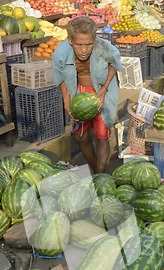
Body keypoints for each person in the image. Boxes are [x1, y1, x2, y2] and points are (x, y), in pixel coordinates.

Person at [52, 17, 123, 173]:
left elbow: (114, 64)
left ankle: (100, 174)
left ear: (94, 39)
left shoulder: (104, 47)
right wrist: (66, 98)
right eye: (79, 45)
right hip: (79, 92)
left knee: (101, 136)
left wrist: (104, 89)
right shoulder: (61, 53)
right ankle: (98, 171)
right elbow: (60, 76)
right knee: (81, 137)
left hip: (102, 90)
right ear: (70, 40)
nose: (84, 50)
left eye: (88, 44)